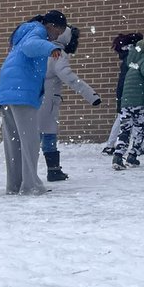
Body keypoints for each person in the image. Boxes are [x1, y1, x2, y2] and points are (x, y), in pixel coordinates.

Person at [0, 13, 62, 195]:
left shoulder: (25, 33)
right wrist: (50, 48)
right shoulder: (38, 30)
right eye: (58, 31)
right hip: (21, 91)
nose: (56, 37)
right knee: (30, 141)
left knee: (14, 142)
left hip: (7, 91)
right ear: (50, 25)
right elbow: (30, 47)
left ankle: (14, 185)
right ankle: (30, 186)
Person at [37, 14, 101, 181]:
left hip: (34, 97)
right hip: (48, 100)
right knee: (49, 133)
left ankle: (29, 170)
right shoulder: (58, 54)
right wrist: (91, 95)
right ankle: (53, 170)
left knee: (35, 134)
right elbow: (69, 77)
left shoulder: (41, 49)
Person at [110, 38, 144, 170]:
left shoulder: (131, 63)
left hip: (126, 102)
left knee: (125, 129)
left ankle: (118, 156)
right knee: (139, 129)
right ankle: (132, 156)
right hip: (140, 102)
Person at [102, 32, 144, 153]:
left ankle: (111, 144)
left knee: (122, 117)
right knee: (128, 118)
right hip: (130, 92)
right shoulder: (132, 59)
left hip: (125, 92)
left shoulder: (127, 58)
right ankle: (112, 145)